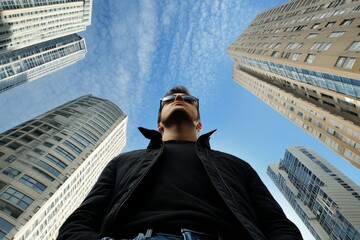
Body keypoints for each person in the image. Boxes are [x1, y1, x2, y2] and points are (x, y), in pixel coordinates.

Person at [57, 86, 303, 240]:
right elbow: (81, 220)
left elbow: (277, 224)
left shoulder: (236, 165)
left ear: (199, 124)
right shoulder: (123, 162)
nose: (178, 98)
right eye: (169, 98)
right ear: (159, 125)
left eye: (187, 98)